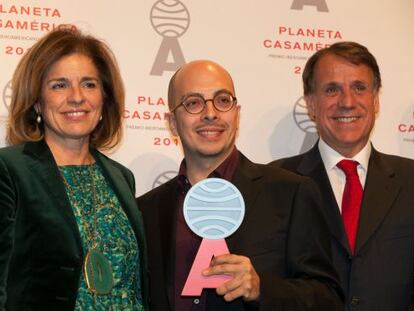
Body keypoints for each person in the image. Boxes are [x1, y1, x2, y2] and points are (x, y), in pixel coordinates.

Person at [137, 60, 343, 310]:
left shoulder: (290, 193)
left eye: (223, 100)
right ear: (172, 123)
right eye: (193, 103)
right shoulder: (146, 210)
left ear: (236, 114)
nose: (210, 113)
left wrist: (262, 289)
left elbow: (327, 299)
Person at [0, 26, 148, 310]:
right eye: (59, 85)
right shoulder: (9, 171)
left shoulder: (121, 177)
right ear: (37, 102)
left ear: (104, 99)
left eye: (89, 84)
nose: (77, 96)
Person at [270, 41, 414, 310]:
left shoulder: (411, 181)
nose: (347, 102)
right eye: (332, 89)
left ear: (376, 100)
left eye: (359, 88)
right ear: (311, 104)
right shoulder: (274, 183)